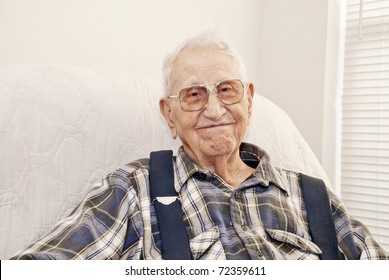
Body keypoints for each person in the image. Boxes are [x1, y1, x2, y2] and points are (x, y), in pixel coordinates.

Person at [11, 31, 388, 260]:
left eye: (226, 90)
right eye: (193, 95)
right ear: (169, 115)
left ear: (249, 100)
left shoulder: (315, 198)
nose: (214, 109)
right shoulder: (134, 189)